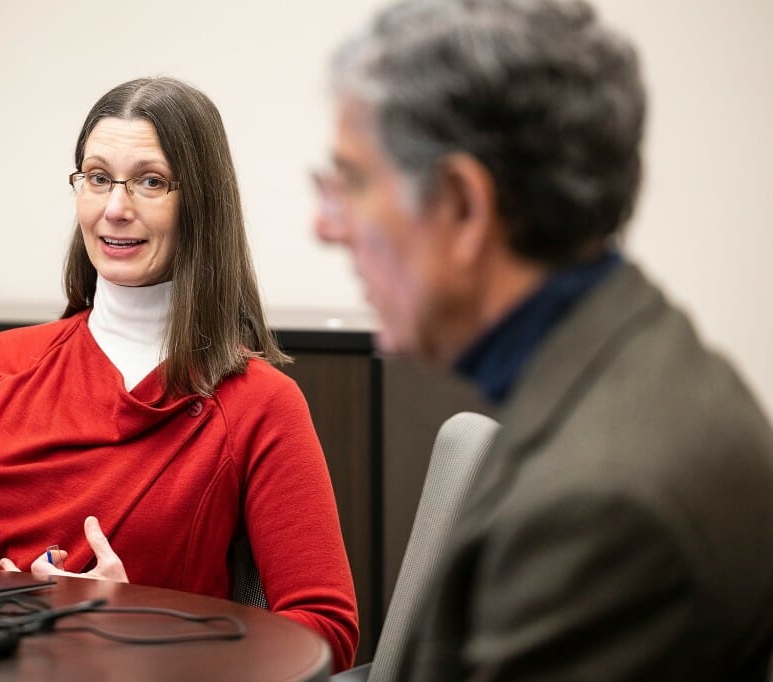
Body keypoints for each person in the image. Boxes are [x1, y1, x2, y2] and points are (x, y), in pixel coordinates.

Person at [315, 0, 773, 678]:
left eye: (351, 183)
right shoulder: (632, 359)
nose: (328, 226)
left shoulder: (604, 505)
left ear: (464, 206)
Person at [0, 76, 358, 671]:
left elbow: (325, 631)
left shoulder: (258, 404)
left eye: (151, 181)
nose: (115, 207)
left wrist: (135, 623)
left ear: (200, 204)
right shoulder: (1, 366)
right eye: (98, 177)